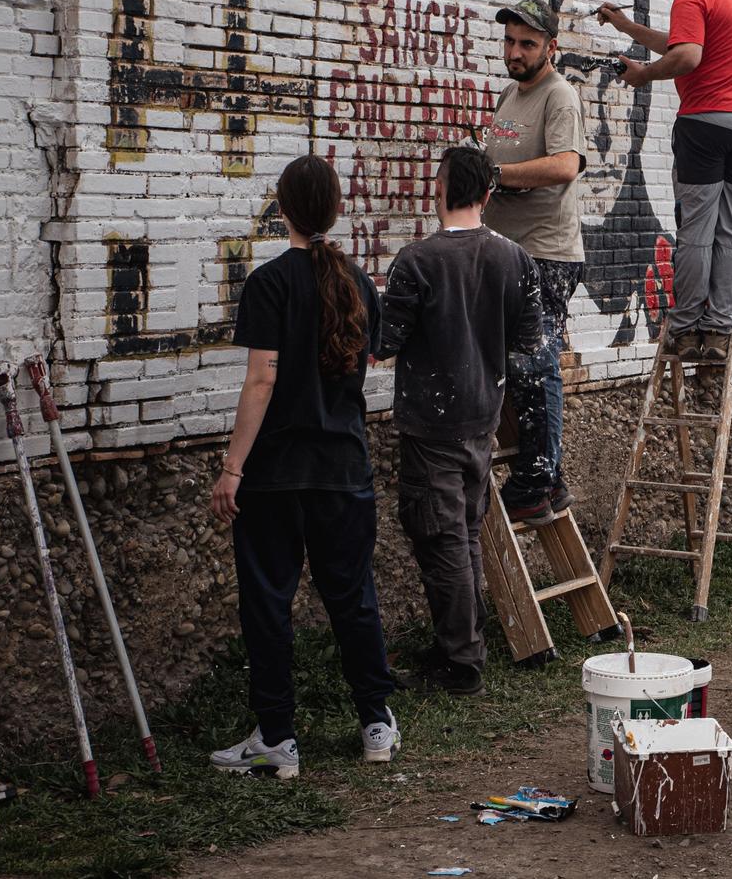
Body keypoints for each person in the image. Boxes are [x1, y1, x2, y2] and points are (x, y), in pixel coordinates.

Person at [210, 154, 398, 778]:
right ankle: (376, 724)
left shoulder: (268, 284)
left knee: (268, 603)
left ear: (282, 209)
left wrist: (233, 467)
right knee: (352, 598)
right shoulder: (359, 284)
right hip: (343, 469)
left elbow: (261, 380)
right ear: (337, 209)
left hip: (274, 477)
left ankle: (278, 739)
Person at [376, 147, 542, 695]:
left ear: (439, 190)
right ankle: (461, 644)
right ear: (489, 195)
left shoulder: (417, 261)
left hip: (431, 427)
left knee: (441, 539)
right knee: (464, 535)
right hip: (483, 419)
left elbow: (383, 343)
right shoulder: (516, 259)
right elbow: (527, 344)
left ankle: (461, 663)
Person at [600, 0, 732, 365]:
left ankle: (689, 327)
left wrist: (641, 75)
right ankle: (719, 330)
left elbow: (687, 56)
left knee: (695, 231)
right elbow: (682, 43)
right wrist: (627, 28)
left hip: (706, 125)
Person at [483, 0, 588, 521]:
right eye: (510, 41)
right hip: (507, 252)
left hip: (545, 254)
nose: (516, 51)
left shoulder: (559, 96)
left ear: (551, 46)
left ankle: (534, 483)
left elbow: (567, 165)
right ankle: (551, 477)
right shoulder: (510, 94)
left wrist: (496, 178)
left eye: (527, 43)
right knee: (517, 365)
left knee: (533, 364)